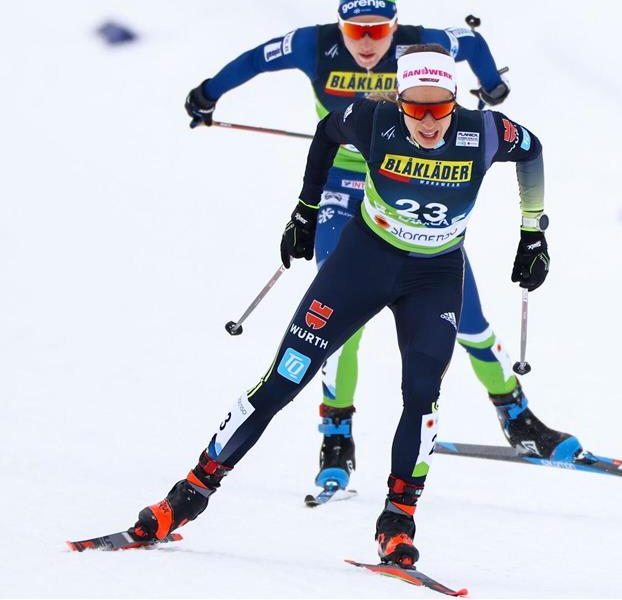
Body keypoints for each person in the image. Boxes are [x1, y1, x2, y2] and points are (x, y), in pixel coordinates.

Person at [131, 45, 579, 567]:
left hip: (433, 277)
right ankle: (184, 499)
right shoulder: (373, 118)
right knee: (285, 378)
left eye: (440, 108)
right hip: (363, 262)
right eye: (416, 107)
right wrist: (306, 208)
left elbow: (533, 150)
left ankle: (397, 523)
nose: (429, 122)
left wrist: (533, 233)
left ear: (455, 101)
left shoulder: (485, 132)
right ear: (400, 101)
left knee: (421, 396)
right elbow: (325, 136)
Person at [184, 0, 577, 495]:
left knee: (471, 320)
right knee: (338, 325)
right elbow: (257, 59)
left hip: (418, 186)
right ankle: (337, 435)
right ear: (340, 23)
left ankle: (516, 415)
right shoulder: (313, 44)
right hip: (345, 187)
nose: (368, 42)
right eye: (356, 29)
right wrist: (208, 93)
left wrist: (491, 85)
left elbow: (475, 45)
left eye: (379, 30)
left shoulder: (425, 48)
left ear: (396, 25)